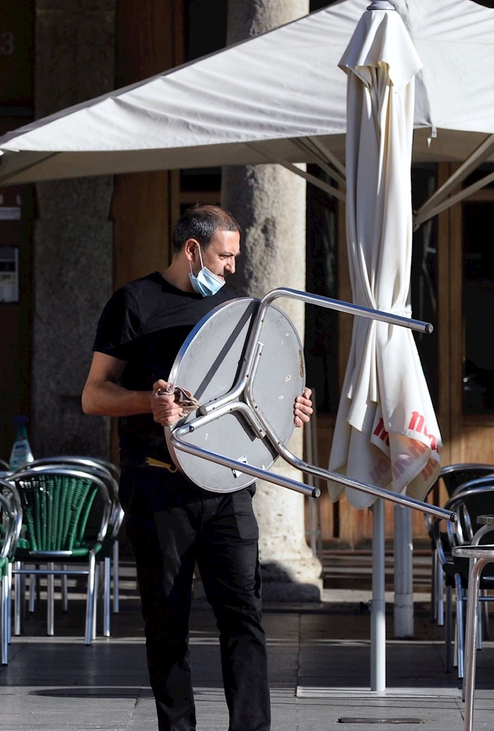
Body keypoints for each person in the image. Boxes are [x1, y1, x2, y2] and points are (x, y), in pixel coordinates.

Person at [82, 204, 313, 731]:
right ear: (193, 250)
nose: (232, 268)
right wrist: (150, 403)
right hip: (159, 485)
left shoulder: (234, 309)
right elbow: (94, 396)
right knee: (167, 624)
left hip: (227, 486)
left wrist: (289, 407)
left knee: (245, 620)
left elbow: (256, 393)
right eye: (224, 256)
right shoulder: (133, 303)